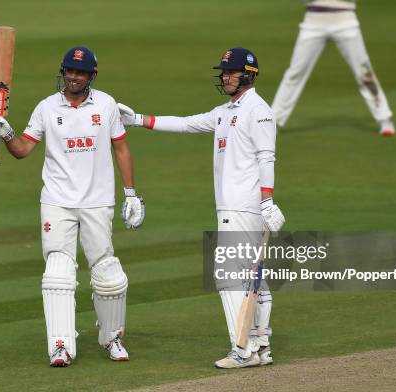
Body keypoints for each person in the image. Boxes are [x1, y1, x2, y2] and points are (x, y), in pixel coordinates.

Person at [118, 48, 285, 368]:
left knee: (230, 278)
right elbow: (186, 124)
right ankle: (261, 344)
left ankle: (243, 348)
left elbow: (267, 157)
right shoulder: (226, 111)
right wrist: (138, 119)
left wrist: (266, 200)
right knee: (253, 278)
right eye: (223, 71)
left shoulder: (258, 110)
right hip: (234, 206)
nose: (224, 76)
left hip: (244, 206)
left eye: (230, 72)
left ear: (248, 74)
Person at [0, 46, 145, 367]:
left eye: (80, 72)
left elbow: (122, 150)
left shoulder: (106, 104)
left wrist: (131, 194)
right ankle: (60, 344)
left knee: (108, 273)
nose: (72, 76)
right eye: (69, 70)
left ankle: (111, 337)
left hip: (97, 200)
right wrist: (6, 131)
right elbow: (23, 150)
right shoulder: (46, 107)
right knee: (57, 270)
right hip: (57, 202)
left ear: (92, 76)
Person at [272, 0, 396, 136]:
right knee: (295, 73)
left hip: (345, 21)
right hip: (313, 23)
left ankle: (385, 119)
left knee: (364, 72)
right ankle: (273, 122)